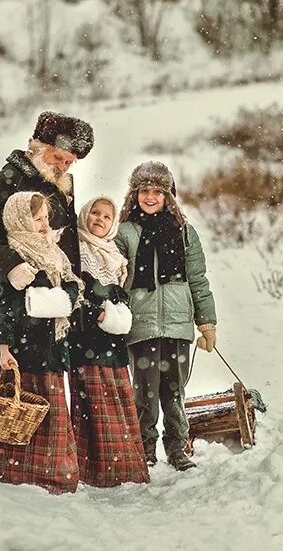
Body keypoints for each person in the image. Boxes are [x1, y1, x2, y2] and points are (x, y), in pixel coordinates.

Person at [116, 161, 218, 471]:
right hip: (141, 322)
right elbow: (114, 276)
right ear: (135, 195)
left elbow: (197, 279)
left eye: (157, 192)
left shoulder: (185, 232)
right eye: (144, 191)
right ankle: (144, 450)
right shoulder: (124, 233)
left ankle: (177, 449)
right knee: (144, 394)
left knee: (174, 391)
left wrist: (207, 322)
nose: (150, 197)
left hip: (177, 324)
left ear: (168, 196)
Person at [0, 191, 82, 493]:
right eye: (37, 219)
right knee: (20, 414)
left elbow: (71, 286)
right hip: (23, 348)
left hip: (51, 345)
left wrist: (63, 298)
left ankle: (54, 474)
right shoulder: (16, 255)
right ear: (21, 219)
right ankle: (21, 475)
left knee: (52, 414)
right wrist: (4, 348)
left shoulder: (52, 251)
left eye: (45, 218)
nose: (44, 225)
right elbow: (7, 306)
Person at [67, 196, 151, 487]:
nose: (99, 220)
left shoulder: (114, 255)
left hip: (112, 339)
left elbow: (119, 292)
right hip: (87, 336)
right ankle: (97, 469)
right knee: (93, 402)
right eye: (95, 213)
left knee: (117, 397)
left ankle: (124, 466)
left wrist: (117, 308)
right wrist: (96, 311)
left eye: (106, 216)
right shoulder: (75, 247)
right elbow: (75, 290)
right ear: (84, 215)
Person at [0, 110, 94, 291]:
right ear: (37, 148)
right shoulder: (10, 181)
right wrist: (11, 267)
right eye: (57, 157)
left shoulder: (60, 186)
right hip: (27, 298)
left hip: (63, 293)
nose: (62, 167)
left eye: (68, 162)